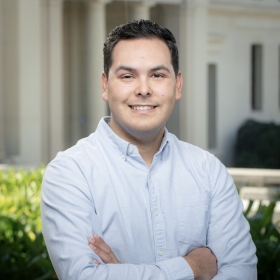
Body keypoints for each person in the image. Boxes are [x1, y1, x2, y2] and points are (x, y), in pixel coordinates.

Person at [41, 20, 257, 280]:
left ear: (177, 85)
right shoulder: (70, 174)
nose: (143, 89)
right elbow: (84, 277)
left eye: (157, 75)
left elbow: (242, 272)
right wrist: (194, 268)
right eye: (127, 76)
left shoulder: (209, 171)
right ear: (104, 86)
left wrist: (122, 273)